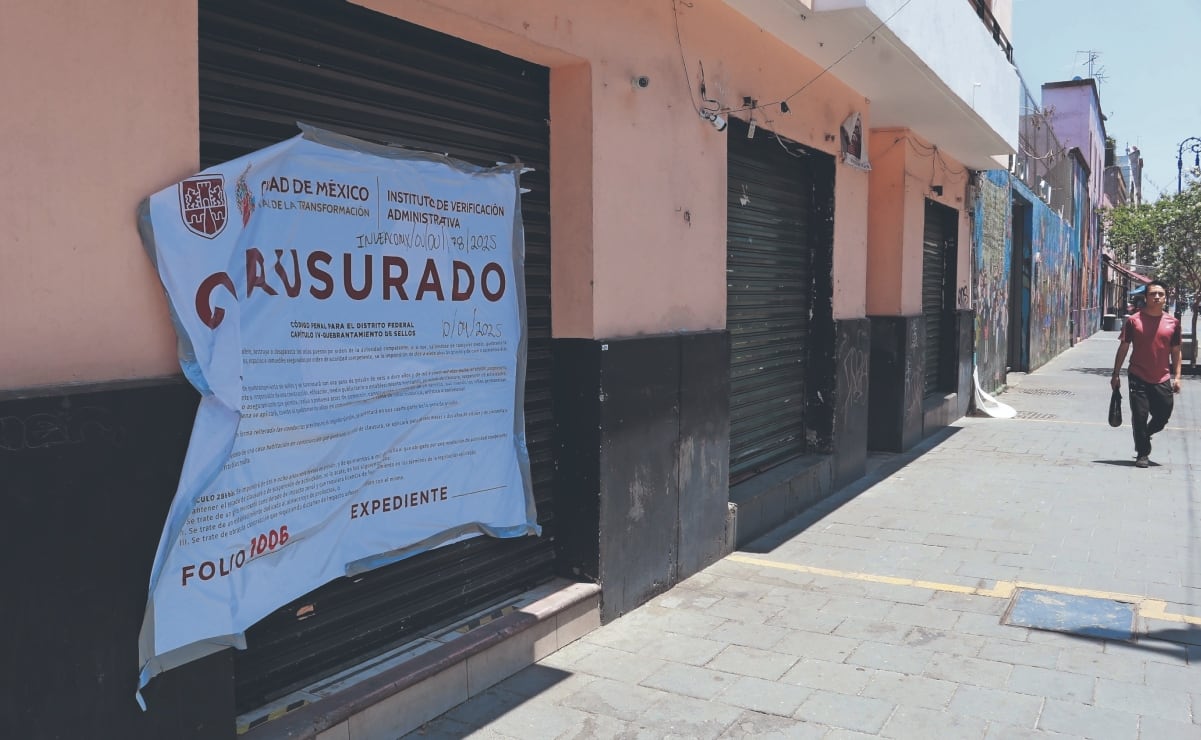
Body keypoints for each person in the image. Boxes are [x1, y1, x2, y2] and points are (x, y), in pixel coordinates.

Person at [1110, 280, 1183, 467]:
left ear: (1165, 298)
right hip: (1138, 374)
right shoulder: (1134, 321)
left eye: (1160, 294)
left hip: (1162, 377)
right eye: (1153, 294)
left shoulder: (1173, 323)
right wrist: (1115, 374)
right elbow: (1124, 347)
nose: (1157, 297)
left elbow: (1176, 351)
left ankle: (1146, 433)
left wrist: (1177, 377)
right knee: (1139, 416)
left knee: (1163, 415)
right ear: (1146, 297)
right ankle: (1142, 453)